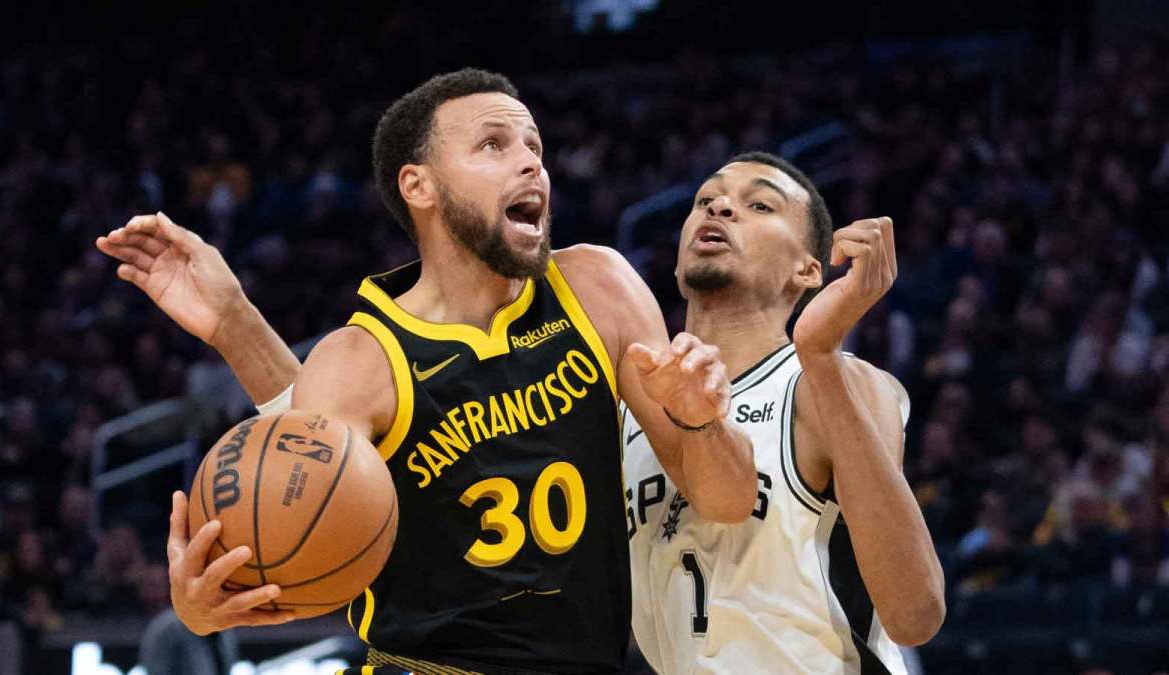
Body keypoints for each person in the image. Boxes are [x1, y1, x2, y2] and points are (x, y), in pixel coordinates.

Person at [96, 68, 757, 674]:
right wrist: (206, 606)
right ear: (420, 185)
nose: (531, 161)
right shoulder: (360, 362)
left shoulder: (599, 289)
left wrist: (703, 423)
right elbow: (297, 535)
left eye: (535, 146)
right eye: (494, 145)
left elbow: (727, 501)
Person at [622, 152, 945, 674]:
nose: (721, 208)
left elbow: (916, 614)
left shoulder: (832, 383)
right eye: (706, 199)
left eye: (759, 205)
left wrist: (819, 355)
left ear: (809, 270)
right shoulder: (631, 411)